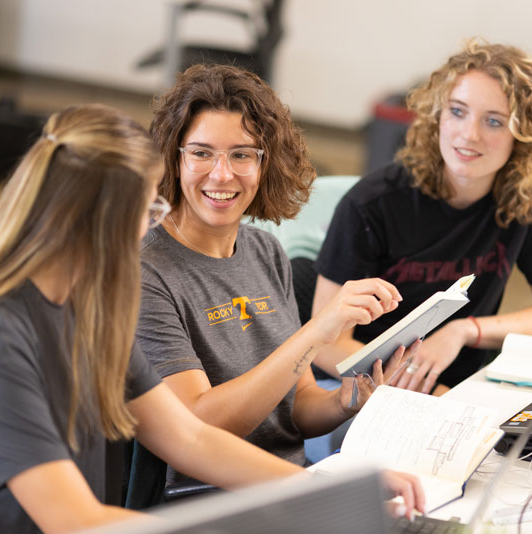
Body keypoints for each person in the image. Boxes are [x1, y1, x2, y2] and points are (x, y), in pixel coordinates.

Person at [0, 104, 424, 533]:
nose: (152, 225)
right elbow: (74, 521)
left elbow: (187, 437)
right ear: (100, 219)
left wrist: (330, 491)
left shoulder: (92, 309)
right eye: (147, 209)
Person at [136, 64, 418, 486]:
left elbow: (298, 406)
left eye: (242, 154)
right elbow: (196, 425)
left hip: (293, 486)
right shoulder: (145, 271)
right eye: (201, 152)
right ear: (171, 159)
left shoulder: (263, 250)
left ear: (265, 164)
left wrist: (346, 403)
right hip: (209, 499)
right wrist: (317, 332)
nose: (222, 173)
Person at [312, 38, 532, 396]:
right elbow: (324, 343)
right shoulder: (372, 205)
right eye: (457, 111)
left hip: (467, 384)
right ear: (437, 115)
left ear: (524, 135)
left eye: (493, 121)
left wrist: (464, 331)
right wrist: (423, 389)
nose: (469, 135)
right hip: (366, 385)